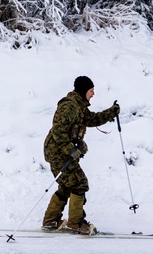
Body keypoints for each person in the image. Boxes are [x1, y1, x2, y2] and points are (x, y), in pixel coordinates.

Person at [41, 75, 119, 235]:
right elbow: (58, 130)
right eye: (91, 90)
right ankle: (74, 224)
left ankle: (50, 222)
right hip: (57, 152)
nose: (93, 94)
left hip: (60, 151)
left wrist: (111, 113)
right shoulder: (69, 107)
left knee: (66, 185)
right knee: (79, 183)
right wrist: (71, 149)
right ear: (84, 91)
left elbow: (92, 119)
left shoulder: (79, 107)